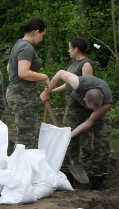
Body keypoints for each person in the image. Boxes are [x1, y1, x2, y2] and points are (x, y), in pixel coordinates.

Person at [46, 38, 109, 189]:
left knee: (102, 139)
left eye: (70, 48)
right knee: (69, 136)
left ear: (76, 49)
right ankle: (67, 175)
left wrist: (91, 109)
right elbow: (65, 78)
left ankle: (98, 179)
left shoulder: (86, 66)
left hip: (91, 100)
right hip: (76, 101)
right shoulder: (74, 70)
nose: (68, 50)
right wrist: (50, 90)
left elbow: (90, 121)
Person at [6, 18, 50, 153]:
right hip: (22, 95)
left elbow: (9, 68)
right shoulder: (26, 47)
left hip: (18, 92)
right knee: (26, 136)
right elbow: (23, 72)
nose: (42, 39)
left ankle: (20, 166)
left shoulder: (19, 44)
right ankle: (21, 168)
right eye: (43, 35)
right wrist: (44, 76)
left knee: (23, 132)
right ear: (36, 32)